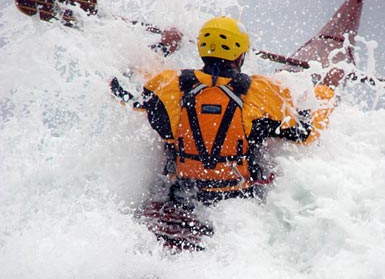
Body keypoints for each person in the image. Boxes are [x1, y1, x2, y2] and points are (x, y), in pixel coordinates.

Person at [111, 16, 338, 209]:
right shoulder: (262, 92)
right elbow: (304, 134)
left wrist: (164, 46)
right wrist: (326, 90)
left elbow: (120, 88)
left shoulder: (170, 84)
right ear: (241, 55)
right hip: (237, 204)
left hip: (180, 197)